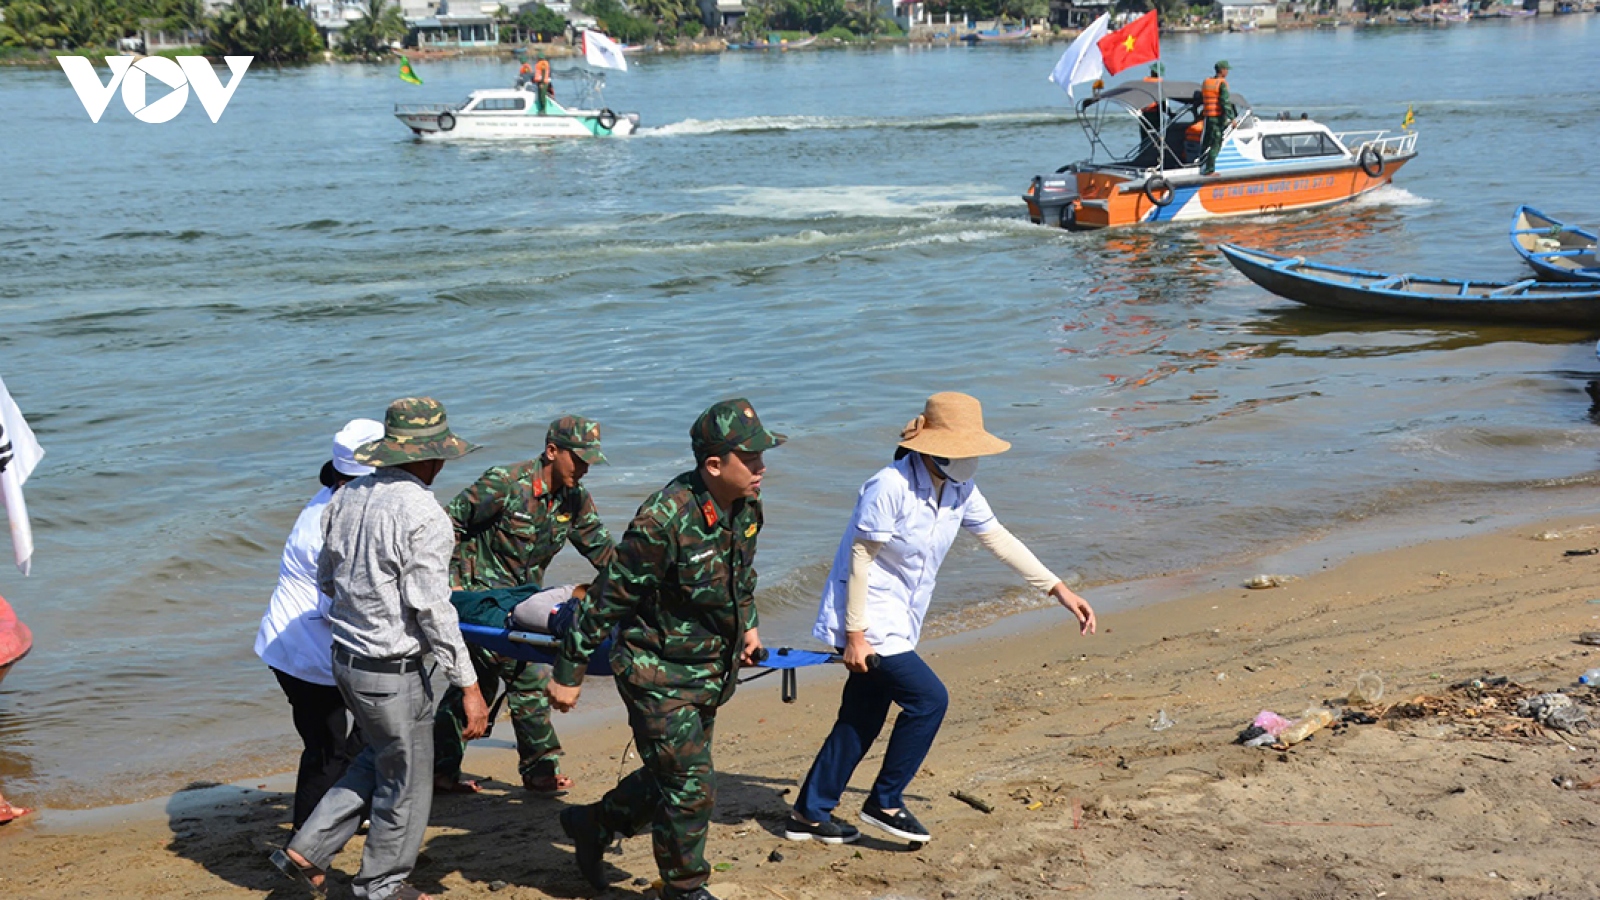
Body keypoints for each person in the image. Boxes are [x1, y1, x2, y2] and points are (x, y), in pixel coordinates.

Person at [785, 392, 1096, 846]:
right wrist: (854, 636)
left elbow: (999, 539)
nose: (967, 458)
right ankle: (885, 802)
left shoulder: (959, 488)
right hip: (867, 618)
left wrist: (1059, 589)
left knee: (862, 715)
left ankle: (809, 813)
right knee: (929, 700)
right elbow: (859, 558)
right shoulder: (889, 485)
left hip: (900, 619)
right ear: (929, 446)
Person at [549, 399, 784, 900]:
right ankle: (684, 889)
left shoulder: (746, 504)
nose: (763, 467)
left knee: (670, 775)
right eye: (752, 458)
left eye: (763, 456)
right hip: (655, 671)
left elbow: (740, 576)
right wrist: (568, 671)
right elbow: (610, 595)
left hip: (707, 669)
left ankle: (593, 823)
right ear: (713, 464)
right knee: (692, 786)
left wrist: (750, 629)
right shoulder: (664, 520)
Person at [271, 397, 490, 900]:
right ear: (431, 458)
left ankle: (305, 849)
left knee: (378, 757)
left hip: (345, 661)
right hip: (391, 671)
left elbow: (326, 579)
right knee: (406, 784)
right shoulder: (425, 514)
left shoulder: (345, 498)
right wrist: (469, 684)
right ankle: (383, 886)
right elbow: (433, 609)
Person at [432, 415, 615, 797]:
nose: (583, 469)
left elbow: (603, 552)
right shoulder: (505, 484)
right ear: (552, 451)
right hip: (475, 597)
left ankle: (443, 771)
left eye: (588, 462)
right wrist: (441, 589)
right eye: (577, 459)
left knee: (489, 680)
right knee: (518, 675)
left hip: (522, 602)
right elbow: (447, 525)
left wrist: (639, 584)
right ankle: (536, 770)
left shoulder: (574, 499)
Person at [255, 418, 385, 833]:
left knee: (355, 735)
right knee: (334, 746)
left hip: (295, 643)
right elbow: (344, 604)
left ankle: (342, 811)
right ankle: (306, 837)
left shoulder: (335, 499)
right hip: (306, 651)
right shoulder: (331, 523)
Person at [1199, 60, 1237, 176]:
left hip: (1208, 117)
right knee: (1216, 143)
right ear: (1222, 70)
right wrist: (1232, 118)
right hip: (1217, 117)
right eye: (1226, 70)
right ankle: (1209, 170)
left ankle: (1200, 164)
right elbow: (1224, 102)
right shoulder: (1221, 84)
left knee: (1206, 142)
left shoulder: (1206, 82)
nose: (1227, 72)